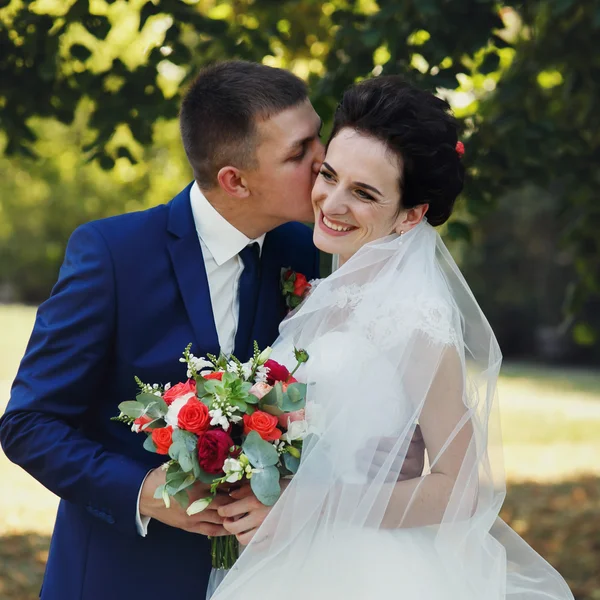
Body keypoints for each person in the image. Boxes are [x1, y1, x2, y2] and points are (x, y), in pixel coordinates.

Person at [0, 62, 425, 600]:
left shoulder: (311, 251)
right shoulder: (113, 256)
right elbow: (29, 423)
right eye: (300, 152)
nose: (325, 158)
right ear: (234, 180)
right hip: (122, 578)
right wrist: (145, 491)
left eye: (318, 134)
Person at [210, 76, 575, 599]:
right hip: (289, 559)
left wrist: (310, 503)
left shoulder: (413, 317)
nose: (332, 203)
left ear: (411, 215)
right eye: (329, 175)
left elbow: (461, 488)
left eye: (363, 193)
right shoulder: (325, 290)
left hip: (370, 570)